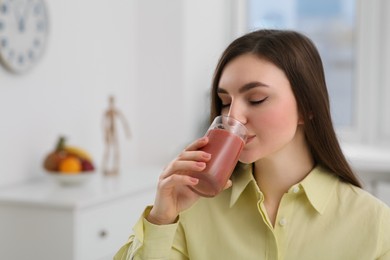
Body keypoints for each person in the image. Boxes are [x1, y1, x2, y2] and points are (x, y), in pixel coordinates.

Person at [114, 29, 390, 259]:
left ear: (307, 106)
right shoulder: (192, 208)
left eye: (256, 99)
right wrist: (162, 219)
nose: (232, 116)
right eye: (224, 102)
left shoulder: (374, 223)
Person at [102, 95, 131, 176]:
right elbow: (103, 123)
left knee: (116, 150)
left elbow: (124, 121)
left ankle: (116, 168)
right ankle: (105, 167)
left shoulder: (116, 111)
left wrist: (127, 132)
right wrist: (105, 134)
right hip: (109, 133)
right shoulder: (107, 112)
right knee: (107, 150)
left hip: (115, 133)